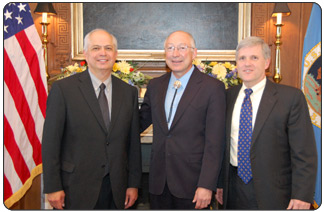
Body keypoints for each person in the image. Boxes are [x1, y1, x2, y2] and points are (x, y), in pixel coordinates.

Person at [42, 29, 142, 209]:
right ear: (86, 54)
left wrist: (133, 184)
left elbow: (133, 143)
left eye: (108, 48)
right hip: (76, 188)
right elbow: (51, 142)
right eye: (96, 48)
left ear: (115, 54)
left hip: (117, 189)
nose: (103, 53)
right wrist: (53, 186)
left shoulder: (129, 93)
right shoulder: (63, 90)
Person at [216, 36, 317, 209]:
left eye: (254, 58)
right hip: (232, 188)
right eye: (242, 58)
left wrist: (302, 194)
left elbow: (304, 152)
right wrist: (219, 183)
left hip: (274, 192)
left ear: (267, 62)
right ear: (236, 64)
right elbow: (222, 145)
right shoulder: (227, 96)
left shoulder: (290, 98)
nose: (247, 63)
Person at [140, 31, 226, 209]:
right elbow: (137, 123)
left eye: (182, 48)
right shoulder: (155, 86)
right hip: (158, 184)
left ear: (194, 53)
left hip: (193, 185)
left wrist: (206, 184)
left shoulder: (213, 88)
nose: (175, 53)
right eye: (170, 48)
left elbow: (215, 143)